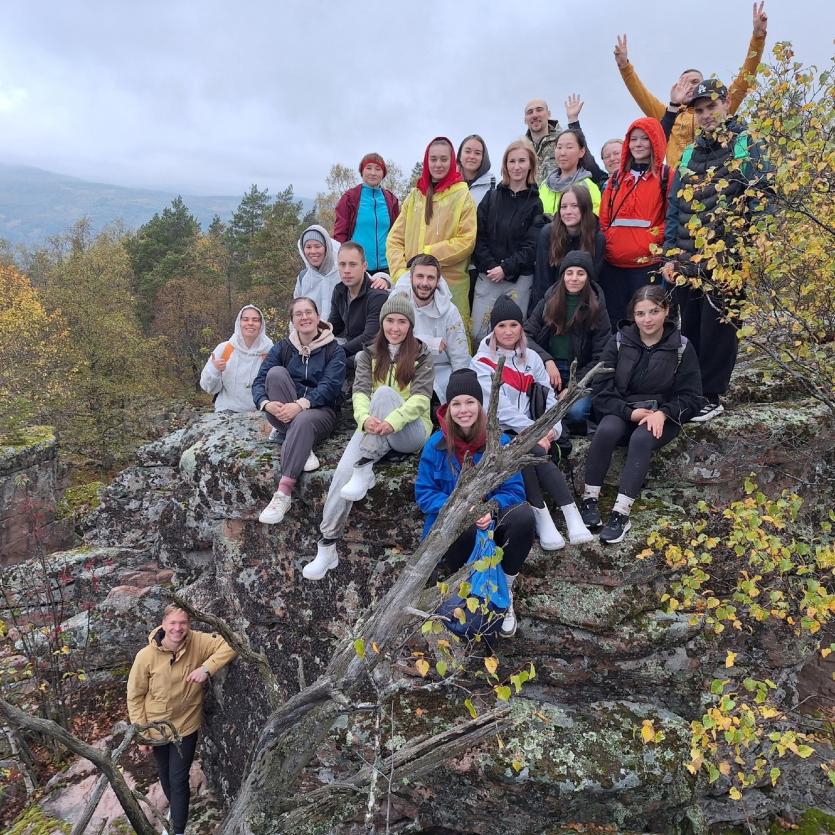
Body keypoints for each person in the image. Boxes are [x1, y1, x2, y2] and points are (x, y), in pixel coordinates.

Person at [660, 79, 770, 423]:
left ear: (726, 104)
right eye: (700, 110)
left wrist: (759, 238)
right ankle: (693, 393)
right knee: (690, 327)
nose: (706, 115)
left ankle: (712, 395)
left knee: (719, 328)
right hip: (688, 258)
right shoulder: (690, 152)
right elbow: (675, 207)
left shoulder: (744, 143)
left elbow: (761, 194)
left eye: (712, 107)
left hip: (729, 257)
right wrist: (669, 254)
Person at [303, 294, 434, 580]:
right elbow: (360, 393)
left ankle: (365, 466)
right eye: (390, 321)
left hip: (410, 432)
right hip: (374, 426)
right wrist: (364, 420)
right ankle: (327, 546)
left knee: (386, 394)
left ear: (410, 325)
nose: (395, 327)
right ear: (382, 322)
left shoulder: (423, 355)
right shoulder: (367, 356)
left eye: (402, 322)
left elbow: (421, 401)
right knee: (342, 473)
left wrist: (390, 421)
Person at [415, 369, 534, 638]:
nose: (463, 410)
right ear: (447, 409)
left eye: (470, 402)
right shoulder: (435, 446)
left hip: (493, 522)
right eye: (456, 403)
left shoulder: (499, 441)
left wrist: (489, 508)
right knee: (462, 527)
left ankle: (504, 588)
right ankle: (474, 593)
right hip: (456, 531)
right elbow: (424, 494)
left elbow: (515, 490)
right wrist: (464, 511)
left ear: (480, 406)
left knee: (523, 517)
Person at [581, 286, 702, 544]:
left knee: (641, 439)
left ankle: (620, 514)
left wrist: (664, 413)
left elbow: (691, 397)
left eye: (654, 312)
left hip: (662, 417)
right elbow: (602, 390)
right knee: (607, 430)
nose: (647, 319)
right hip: (624, 410)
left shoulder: (681, 347)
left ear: (666, 311)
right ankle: (589, 501)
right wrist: (630, 412)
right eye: (640, 313)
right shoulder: (619, 341)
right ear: (633, 316)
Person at [472, 295, 593, 551]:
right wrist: (534, 433)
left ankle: (571, 515)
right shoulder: (481, 363)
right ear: (493, 329)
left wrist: (552, 429)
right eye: (501, 326)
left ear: (521, 327)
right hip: (499, 435)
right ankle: (544, 516)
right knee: (530, 451)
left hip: (535, 434)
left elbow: (550, 398)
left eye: (513, 325)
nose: (508, 331)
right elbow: (499, 411)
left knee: (531, 449)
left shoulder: (533, 359)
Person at [613, 2, 768, 167]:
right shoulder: (668, 115)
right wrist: (625, 67)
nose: (690, 86)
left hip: (715, 179)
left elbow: (745, 80)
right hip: (679, 183)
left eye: (695, 82)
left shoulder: (717, 105)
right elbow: (640, 94)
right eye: (684, 83)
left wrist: (758, 38)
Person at [127, 604, 236, 835]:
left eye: (183, 623)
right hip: (155, 728)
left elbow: (231, 643)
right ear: (163, 624)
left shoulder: (197, 641)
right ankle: (176, 811)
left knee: (177, 779)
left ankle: (177, 830)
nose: (178, 628)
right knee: (166, 777)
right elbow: (135, 696)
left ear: (189, 624)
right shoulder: (145, 656)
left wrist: (206, 668)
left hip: (185, 726)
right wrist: (141, 733)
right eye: (173, 623)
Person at [252, 297, 346, 523]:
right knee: (275, 373)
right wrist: (266, 404)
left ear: (318, 317)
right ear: (292, 321)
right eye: (298, 314)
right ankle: (301, 443)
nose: (304, 317)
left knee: (303, 421)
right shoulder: (283, 348)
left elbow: (330, 386)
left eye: (308, 312)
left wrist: (300, 406)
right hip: (283, 410)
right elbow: (259, 381)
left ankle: (283, 492)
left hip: (320, 412)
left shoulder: (334, 350)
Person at [387, 136, 477, 328]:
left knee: (452, 340)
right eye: (433, 159)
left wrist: (426, 255)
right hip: (413, 282)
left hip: (450, 284)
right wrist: (401, 272)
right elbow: (394, 239)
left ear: (452, 161)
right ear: (426, 161)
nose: (438, 164)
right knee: (412, 338)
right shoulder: (415, 196)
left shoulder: (462, 195)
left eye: (444, 159)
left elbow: (466, 240)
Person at [525, 251, 612, 434]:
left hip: (581, 372)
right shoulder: (549, 300)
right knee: (535, 409)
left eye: (580, 273)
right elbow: (526, 335)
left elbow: (601, 356)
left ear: (588, 277)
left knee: (575, 412)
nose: (574, 278)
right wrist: (547, 360)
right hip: (548, 370)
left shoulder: (597, 307)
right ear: (563, 275)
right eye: (569, 273)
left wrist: (572, 387)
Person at [598, 117, 672, 327]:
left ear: (655, 141)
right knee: (615, 322)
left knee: (647, 322)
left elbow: (672, 218)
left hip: (647, 265)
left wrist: (651, 239)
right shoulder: (615, 179)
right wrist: (611, 241)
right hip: (613, 265)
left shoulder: (666, 176)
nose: (638, 144)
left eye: (644, 139)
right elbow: (604, 220)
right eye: (633, 139)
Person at [471, 138, 545, 342]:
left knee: (511, 337)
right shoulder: (491, 197)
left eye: (522, 161)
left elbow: (532, 245)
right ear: (505, 165)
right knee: (479, 333)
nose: (517, 166)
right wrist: (492, 266)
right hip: (488, 276)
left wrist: (506, 268)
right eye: (512, 161)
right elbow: (478, 237)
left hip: (518, 280)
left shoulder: (535, 203)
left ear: (530, 164)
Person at [391, 254, 470, 402]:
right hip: (403, 366)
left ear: (438, 280)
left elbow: (460, 356)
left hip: (440, 370)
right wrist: (430, 343)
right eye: (420, 276)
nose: (424, 283)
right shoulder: (396, 302)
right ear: (411, 278)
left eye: (430, 278)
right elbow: (390, 340)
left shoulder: (450, 311)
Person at [530, 184, 605, 311]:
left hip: (583, 305)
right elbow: (542, 281)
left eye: (574, 206)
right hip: (551, 303)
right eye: (563, 207)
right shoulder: (548, 233)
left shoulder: (597, 238)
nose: (568, 212)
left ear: (585, 208)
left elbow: (594, 282)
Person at [333, 153, 400, 277]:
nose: (373, 173)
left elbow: (398, 233)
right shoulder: (350, 198)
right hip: (357, 268)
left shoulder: (391, 200)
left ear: (383, 174)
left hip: (388, 268)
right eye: (369, 168)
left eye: (378, 169)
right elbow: (339, 234)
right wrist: (341, 262)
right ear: (362, 171)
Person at [200, 305, 273, 412]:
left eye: (255, 320)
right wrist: (214, 370)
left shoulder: (270, 351)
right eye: (245, 319)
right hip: (226, 411)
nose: (250, 323)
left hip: (260, 413)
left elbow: (276, 385)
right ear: (239, 323)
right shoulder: (225, 349)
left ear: (261, 324)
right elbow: (209, 388)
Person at [329, 241, 388, 370]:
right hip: (350, 351)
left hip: (374, 356)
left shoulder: (377, 296)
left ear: (364, 266)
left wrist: (336, 353)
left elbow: (370, 337)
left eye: (353, 265)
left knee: (333, 364)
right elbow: (334, 327)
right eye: (342, 264)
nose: (346, 271)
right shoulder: (339, 291)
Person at [539, 129, 602, 217]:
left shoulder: (589, 187)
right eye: (559, 147)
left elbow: (593, 223)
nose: (562, 153)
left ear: (581, 152)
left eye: (569, 147)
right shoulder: (545, 185)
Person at [294, 225, 341, 324]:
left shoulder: (342, 271)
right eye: (308, 247)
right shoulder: (303, 277)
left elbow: (364, 279)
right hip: (311, 336)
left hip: (341, 337)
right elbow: (296, 309)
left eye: (317, 246)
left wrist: (381, 278)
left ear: (326, 247)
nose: (313, 251)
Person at [457, 135, 494, 207]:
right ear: (459, 155)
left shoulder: (493, 186)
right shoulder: (448, 183)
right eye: (467, 151)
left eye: (477, 153)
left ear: (483, 158)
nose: (472, 156)